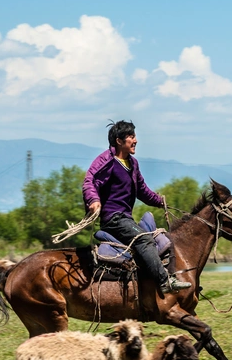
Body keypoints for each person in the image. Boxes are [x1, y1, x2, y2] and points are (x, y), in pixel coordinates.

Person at [82, 120, 191, 294]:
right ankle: (164, 282)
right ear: (119, 140)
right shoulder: (106, 160)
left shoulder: (132, 164)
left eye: (135, 136)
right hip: (113, 218)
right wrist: (93, 200)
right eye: (131, 136)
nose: (136, 140)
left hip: (126, 219)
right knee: (144, 239)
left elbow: (142, 190)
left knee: (156, 238)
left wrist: (159, 201)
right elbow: (89, 182)